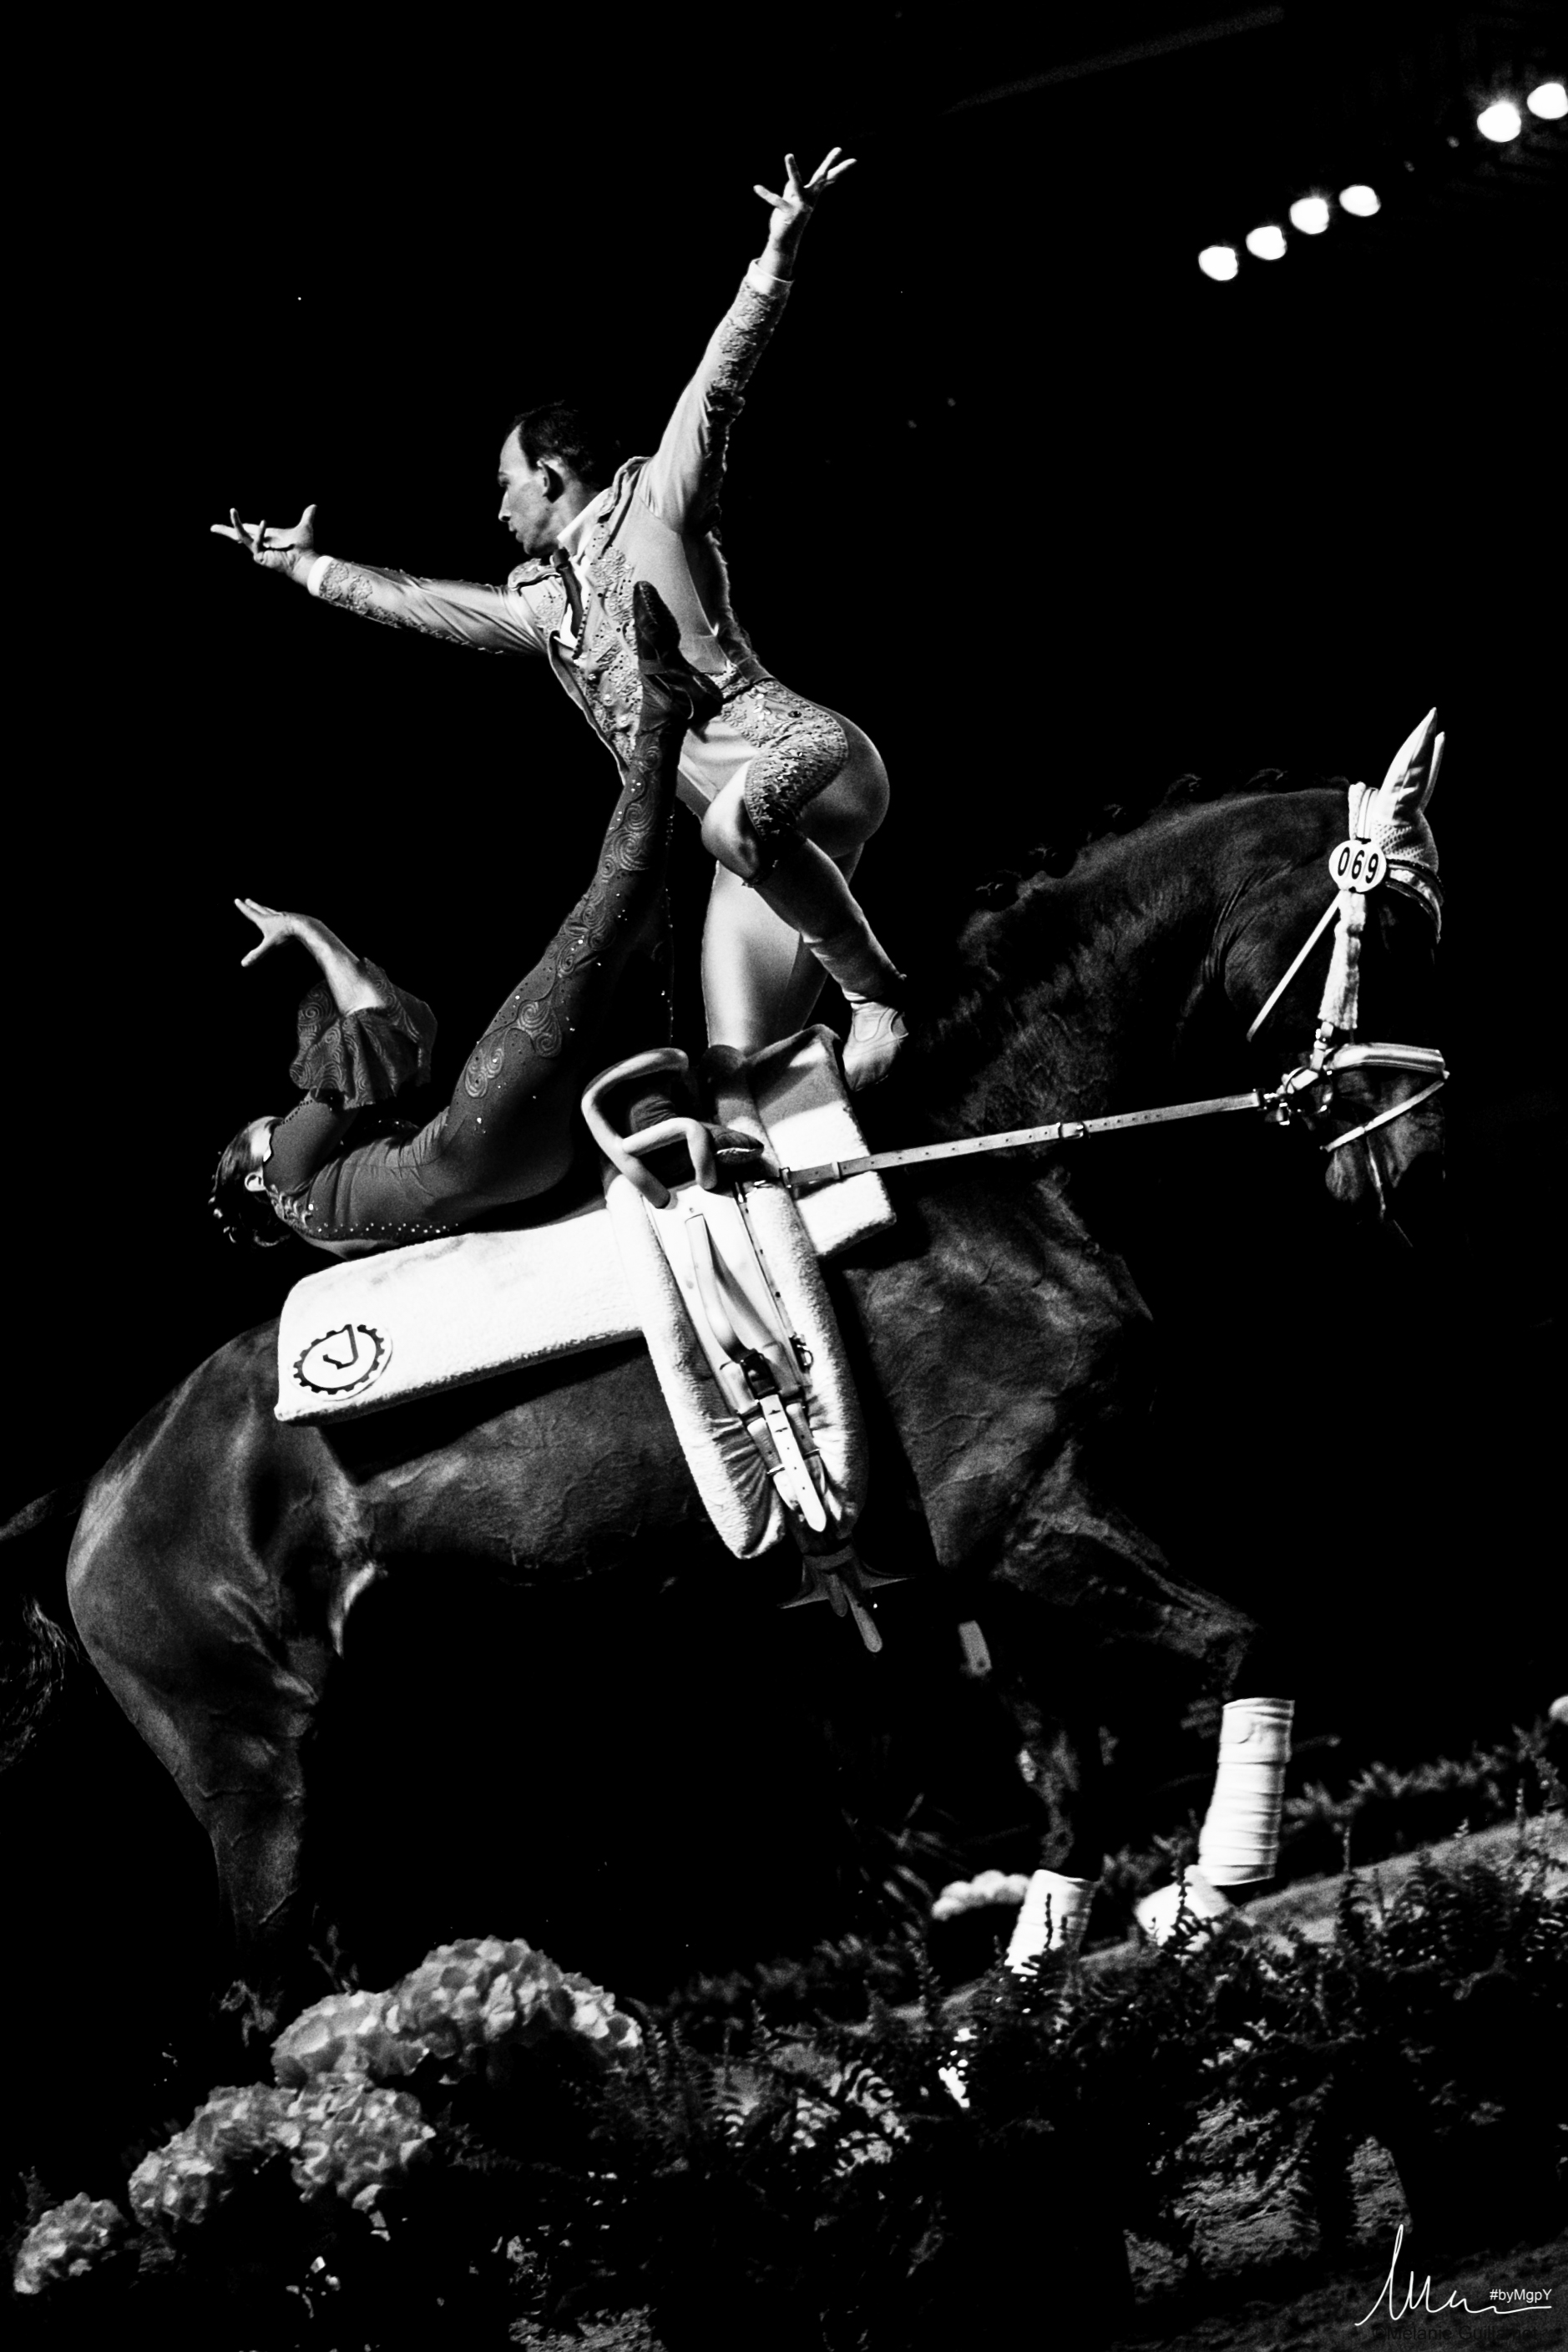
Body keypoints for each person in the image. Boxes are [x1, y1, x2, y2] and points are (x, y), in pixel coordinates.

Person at [212, 149, 907, 1087]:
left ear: (547, 475)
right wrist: (305, 569)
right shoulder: (544, 602)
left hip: (816, 760)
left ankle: (879, 998)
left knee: (732, 828)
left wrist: (776, 255)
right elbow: (428, 608)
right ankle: (832, 1144)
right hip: (752, 843)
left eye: (505, 485)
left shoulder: (655, 503)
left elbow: (717, 386)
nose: (498, 508)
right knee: (732, 1070)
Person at [210, 587, 727, 1257]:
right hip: (479, 1138)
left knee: (625, 955)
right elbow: (374, 1023)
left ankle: (652, 1115)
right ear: (256, 1179)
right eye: (272, 1129)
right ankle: (660, 715)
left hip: (527, 1174)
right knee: (599, 926)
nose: (285, 1127)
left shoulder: (328, 1231)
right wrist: (310, 930)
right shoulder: (284, 1176)